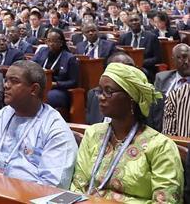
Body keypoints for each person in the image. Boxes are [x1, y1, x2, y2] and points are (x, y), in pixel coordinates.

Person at [70, 63, 184, 202]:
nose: (101, 97)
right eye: (100, 90)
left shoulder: (160, 146)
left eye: (109, 91)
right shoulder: (93, 133)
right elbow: (78, 185)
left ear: (131, 98)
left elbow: (165, 200)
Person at [0, 61, 78, 187]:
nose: (6, 85)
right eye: (6, 80)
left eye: (14, 81)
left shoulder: (55, 130)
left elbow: (52, 189)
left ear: (34, 89)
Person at [32, 29, 78, 113]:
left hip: (59, 90)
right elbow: (31, 65)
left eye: (53, 41)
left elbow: (73, 82)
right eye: (48, 41)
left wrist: (56, 84)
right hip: (39, 86)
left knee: (44, 97)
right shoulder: (42, 51)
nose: (50, 44)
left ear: (61, 43)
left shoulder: (69, 58)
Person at [152, 43, 190, 136]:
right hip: (160, 126)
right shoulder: (162, 77)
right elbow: (154, 107)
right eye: (182, 57)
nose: (187, 62)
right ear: (173, 60)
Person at [119, 13, 161, 81]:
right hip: (127, 68)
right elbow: (120, 55)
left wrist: (139, 63)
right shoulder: (123, 38)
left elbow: (158, 58)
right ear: (128, 23)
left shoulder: (151, 37)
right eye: (131, 21)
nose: (134, 22)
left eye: (136, 20)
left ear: (140, 21)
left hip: (145, 68)